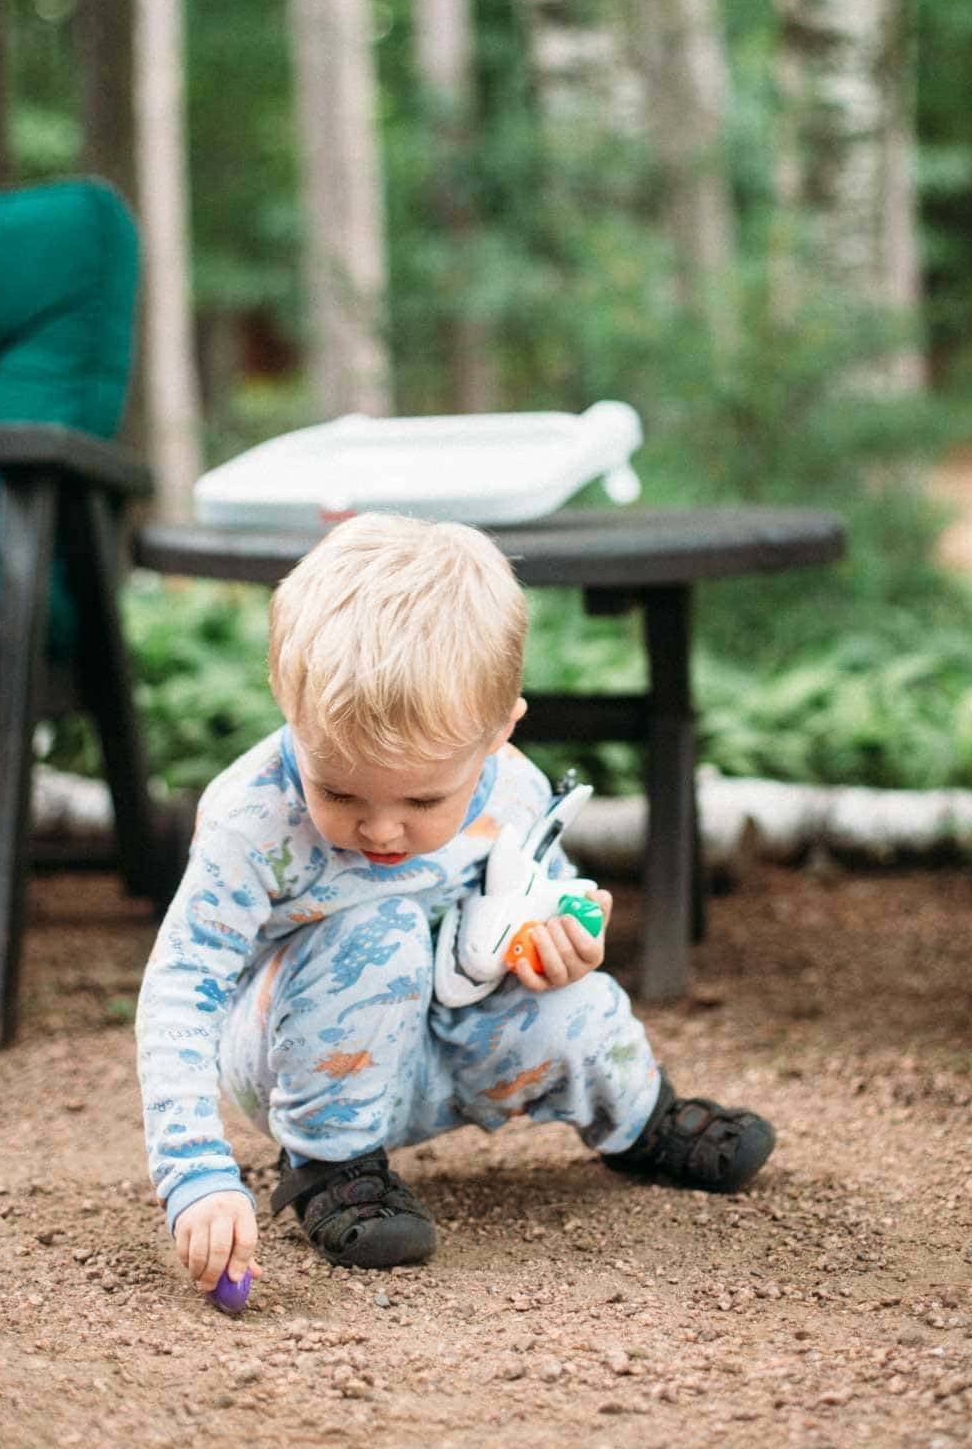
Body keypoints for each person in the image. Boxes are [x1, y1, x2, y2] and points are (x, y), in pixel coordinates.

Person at [135, 513, 775, 1299]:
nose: (380, 830)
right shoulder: (253, 822)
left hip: (448, 1041)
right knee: (378, 927)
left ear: (499, 733)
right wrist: (196, 1174)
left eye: (422, 800)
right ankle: (332, 1167)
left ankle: (641, 1117)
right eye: (339, 792)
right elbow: (182, 987)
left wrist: (562, 940)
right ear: (286, 703)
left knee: (576, 1002)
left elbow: (535, 894)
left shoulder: (516, 789)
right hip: (300, 1061)